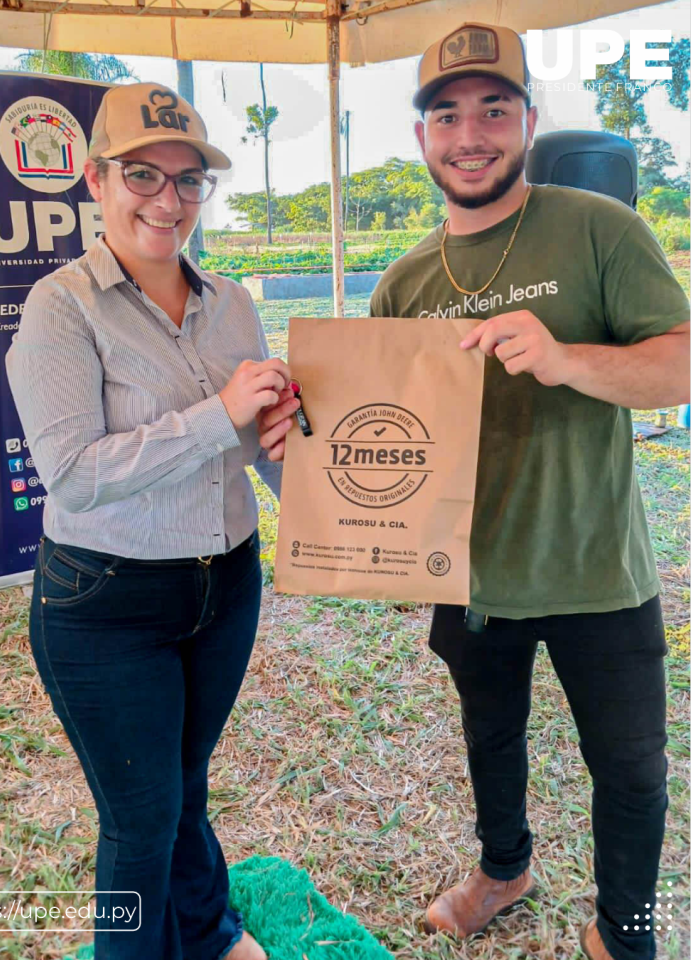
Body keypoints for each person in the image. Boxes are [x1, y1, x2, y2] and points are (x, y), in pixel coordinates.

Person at [259, 23, 690, 960]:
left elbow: (681, 365)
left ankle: (633, 931)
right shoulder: (407, 280)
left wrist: (569, 358)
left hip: (596, 572)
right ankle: (505, 868)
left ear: (528, 119)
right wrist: (301, 421)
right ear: (421, 138)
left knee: (632, 771)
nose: (471, 133)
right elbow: (371, 438)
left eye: (494, 108)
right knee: (490, 735)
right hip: (470, 575)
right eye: (446, 114)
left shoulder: (600, 229)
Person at [6, 82, 293, 960]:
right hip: (106, 602)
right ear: (96, 180)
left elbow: (257, 448)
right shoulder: (62, 308)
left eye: (189, 180)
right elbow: (75, 475)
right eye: (143, 175)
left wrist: (336, 501)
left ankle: (205, 930)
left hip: (226, 584)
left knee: (187, 785)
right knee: (139, 823)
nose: (167, 201)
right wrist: (223, 414)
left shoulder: (232, 302)